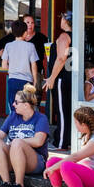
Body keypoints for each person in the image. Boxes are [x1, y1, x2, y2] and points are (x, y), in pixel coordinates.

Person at [0, 84, 50, 187]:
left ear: (26, 105)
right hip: (14, 157)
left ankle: (20, 186)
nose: (13, 104)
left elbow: (38, 141)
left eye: (16, 102)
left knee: (17, 142)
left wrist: (17, 142)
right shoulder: (13, 116)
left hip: (35, 161)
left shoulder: (41, 118)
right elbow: (0, 135)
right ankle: (6, 183)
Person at [42, 12, 74, 150]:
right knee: (70, 110)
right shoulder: (78, 35)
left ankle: (61, 142)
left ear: (66, 20)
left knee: (62, 110)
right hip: (74, 77)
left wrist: (52, 78)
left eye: (61, 17)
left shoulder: (63, 36)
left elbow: (61, 58)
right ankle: (70, 140)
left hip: (62, 78)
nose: (60, 20)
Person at [1, 20, 40, 114]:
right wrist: (35, 81)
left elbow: (4, 66)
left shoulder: (8, 46)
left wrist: (13, 66)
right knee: (27, 107)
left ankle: (14, 127)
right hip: (27, 82)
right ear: (25, 32)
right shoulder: (30, 46)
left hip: (12, 80)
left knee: (14, 106)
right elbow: (34, 65)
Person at [23, 14, 49, 80]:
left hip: (37, 72)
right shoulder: (18, 37)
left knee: (36, 90)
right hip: (22, 73)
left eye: (32, 23)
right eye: (27, 22)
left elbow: (49, 55)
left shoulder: (41, 38)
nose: (30, 25)